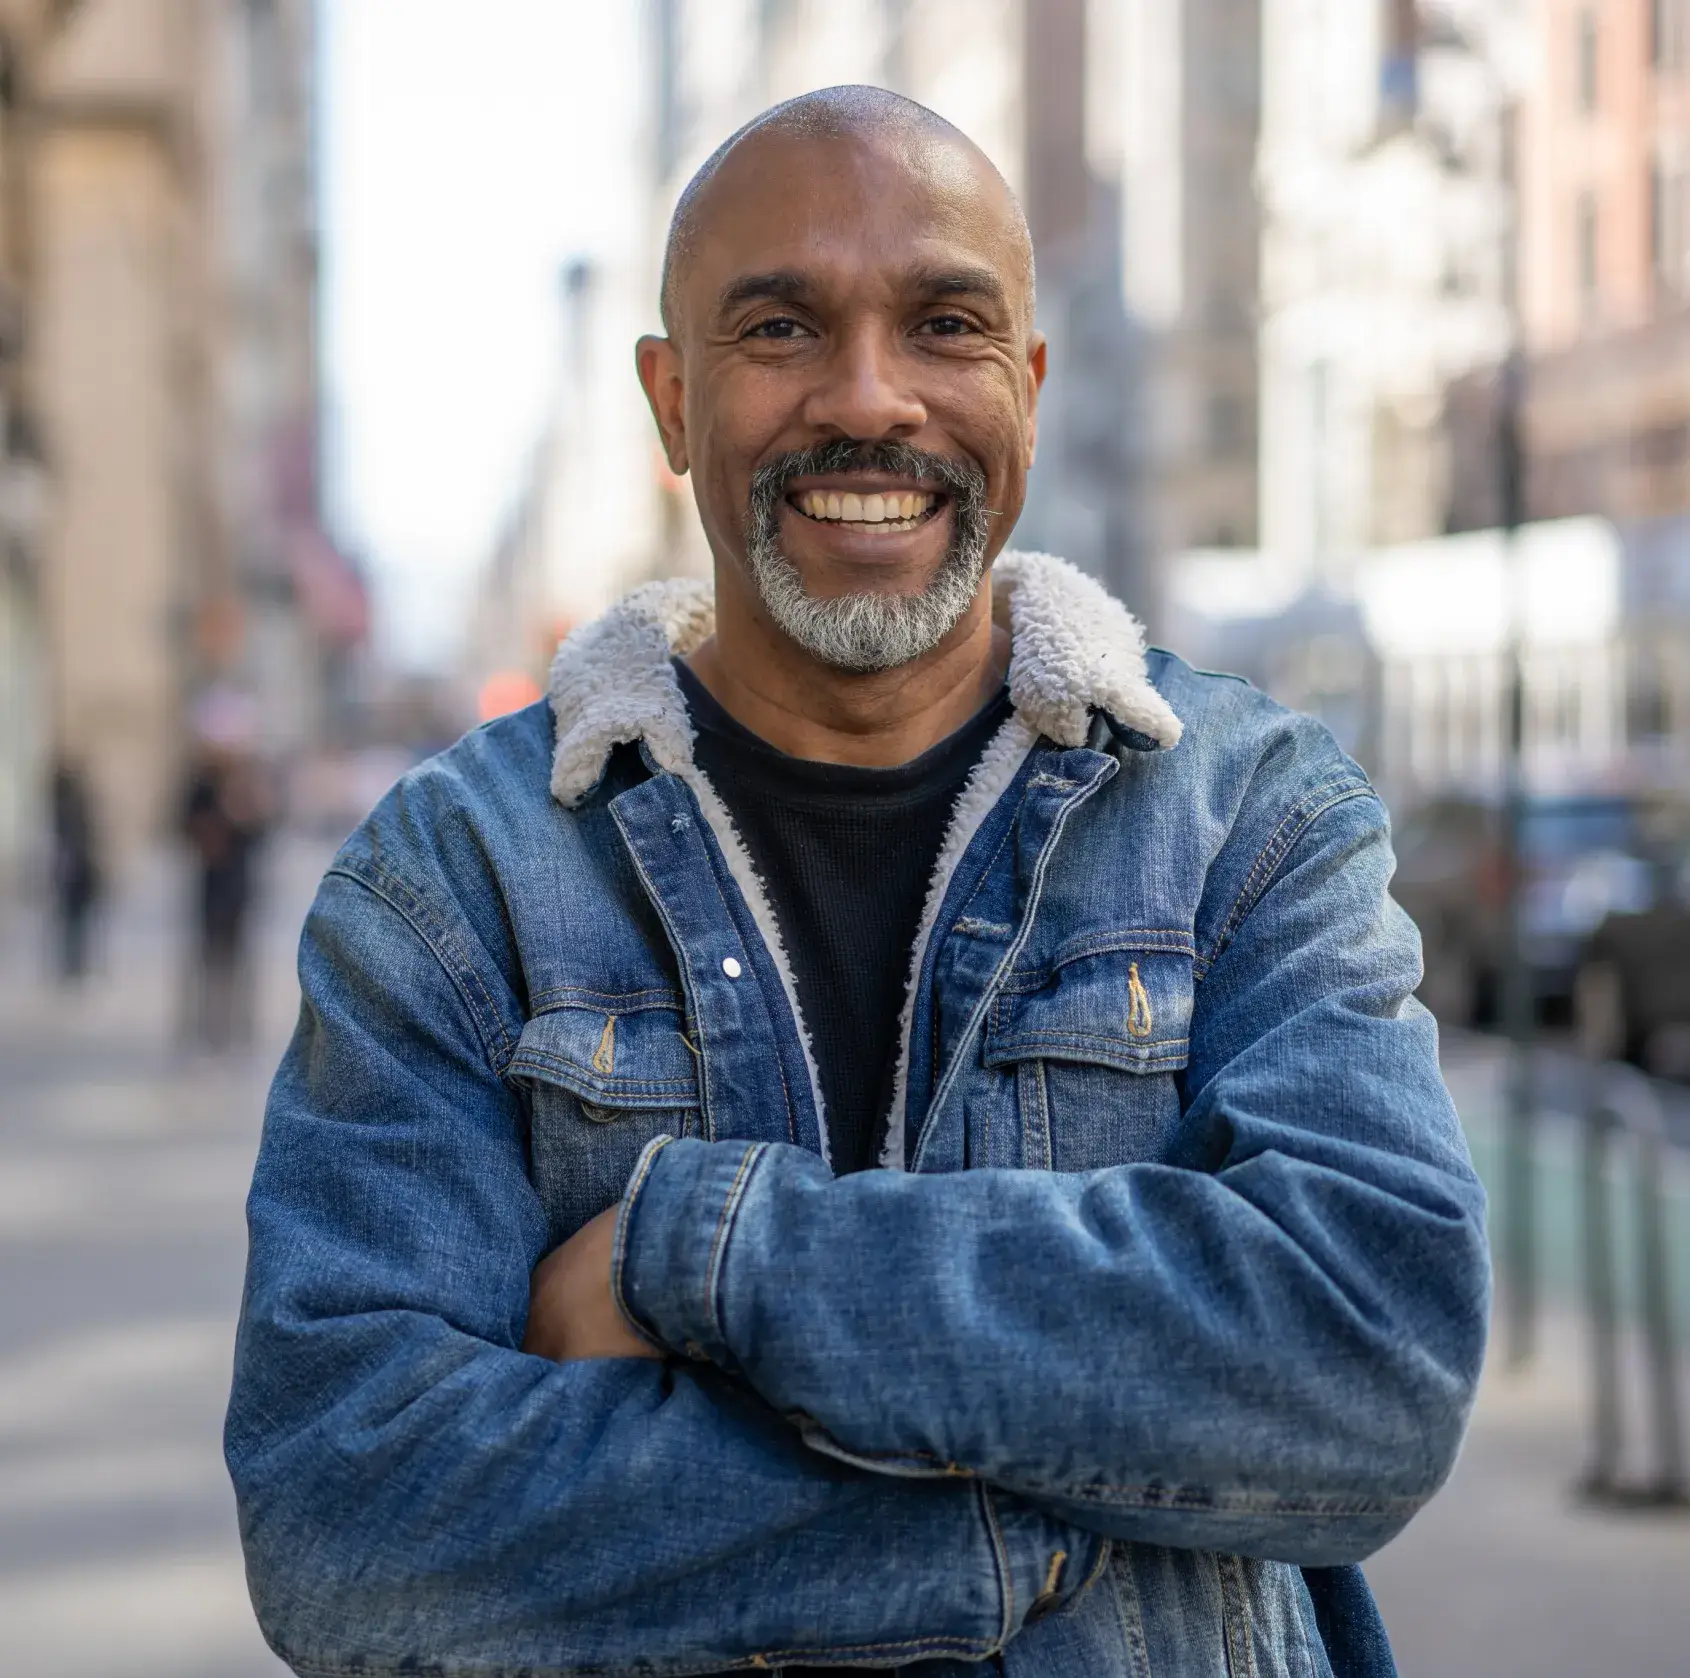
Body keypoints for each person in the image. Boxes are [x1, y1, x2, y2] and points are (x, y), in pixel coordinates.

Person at [227, 88, 1488, 1678]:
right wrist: (1042, 1532)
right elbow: (351, 1519)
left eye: (944, 323)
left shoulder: (1249, 814)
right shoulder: (455, 875)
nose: (869, 397)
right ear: (672, 402)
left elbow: (1369, 1364)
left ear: (1025, 388)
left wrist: (692, 1252)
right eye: (780, 326)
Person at [180, 741, 271, 1048]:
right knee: (208, 957)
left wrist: (244, 812)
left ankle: (237, 1027)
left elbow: (260, 831)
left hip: (238, 886)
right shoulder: (201, 790)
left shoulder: (247, 787)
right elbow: (184, 828)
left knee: (238, 958)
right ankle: (206, 1027)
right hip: (210, 885)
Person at [48, 758, 100, 982]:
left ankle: (73, 963)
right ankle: (72, 963)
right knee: (73, 921)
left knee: (74, 921)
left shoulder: (68, 809)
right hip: (74, 872)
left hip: (76, 872)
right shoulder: (68, 809)